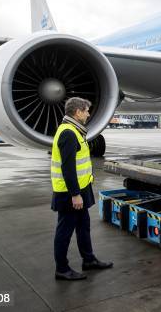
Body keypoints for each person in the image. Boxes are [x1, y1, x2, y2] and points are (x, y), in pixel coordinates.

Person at [52, 97, 113, 280]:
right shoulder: (68, 133)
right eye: (86, 110)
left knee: (83, 227)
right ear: (77, 112)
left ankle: (88, 260)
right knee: (64, 231)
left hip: (80, 189)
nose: (88, 114)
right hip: (69, 193)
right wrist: (75, 195)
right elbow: (67, 168)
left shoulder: (76, 131)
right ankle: (62, 269)